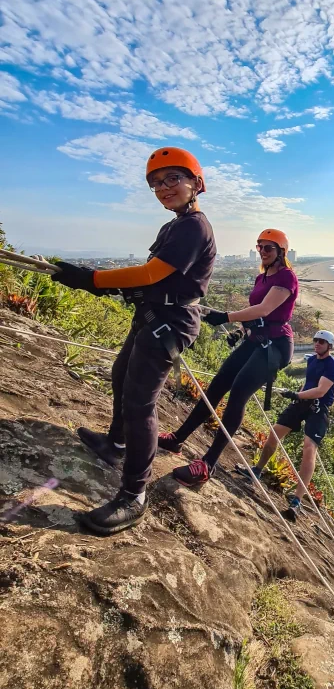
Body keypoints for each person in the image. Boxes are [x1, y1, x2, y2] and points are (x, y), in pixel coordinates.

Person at [50, 147, 216, 534]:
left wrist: (92, 280)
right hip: (154, 316)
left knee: (140, 402)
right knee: (121, 374)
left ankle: (134, 496)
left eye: (173, 178)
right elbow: (157, 279)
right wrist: (115, 288)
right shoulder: (175, 225)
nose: (163, 188)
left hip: (170, 325)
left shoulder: (194, 226)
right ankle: (117, 444)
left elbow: (151, 272)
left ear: (196, 183)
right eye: (156, 183)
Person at [158, 229, 298, 488]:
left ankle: (207, 465)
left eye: (268, 247)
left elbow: (266, 310)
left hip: (275, 347)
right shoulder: (262, 277)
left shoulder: (286, 277)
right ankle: (177, 438)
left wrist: (226, 316)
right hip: (256, 339)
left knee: (238, 395)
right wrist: (240, 330)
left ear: (281, 252)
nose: (262, 251)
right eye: (259, 247)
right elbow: (256, 316)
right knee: (216, 387)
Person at [238, 329, 334, 522]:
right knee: (275, 433)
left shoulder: (333, 366)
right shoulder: (312, 360)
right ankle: (257, 470)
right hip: (301, 403)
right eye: (316, 340)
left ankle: (297, 501)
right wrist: (297, 395)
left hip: (318, 409)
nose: (317, 343)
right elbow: (308, 383)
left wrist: (296, 395)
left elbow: (320, 391)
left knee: (309, 449)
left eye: (322, 341)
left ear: (329, 346)